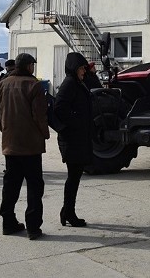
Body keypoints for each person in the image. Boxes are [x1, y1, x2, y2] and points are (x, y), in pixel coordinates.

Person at [0, 52, 49, 240]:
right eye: (33, 64)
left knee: (10, 185)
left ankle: (8, 223)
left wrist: (7, 130)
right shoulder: (34, 85)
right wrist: (44, 134)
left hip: (11, 144)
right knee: (34, 187)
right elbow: (39, 116)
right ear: (28, 66)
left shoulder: (1, 85)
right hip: (31, 146)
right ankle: (33, 227)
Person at [53, 52, 94, 228]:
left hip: (77, 138)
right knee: (73, 177)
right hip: (72, 139)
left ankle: (67, 211)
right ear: (73, 69)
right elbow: (60, 108)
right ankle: (68, 212)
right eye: (81, 68)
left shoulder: (78, 83)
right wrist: (77, 121)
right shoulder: (69, 84)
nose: (83, 71)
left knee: (75, 177)